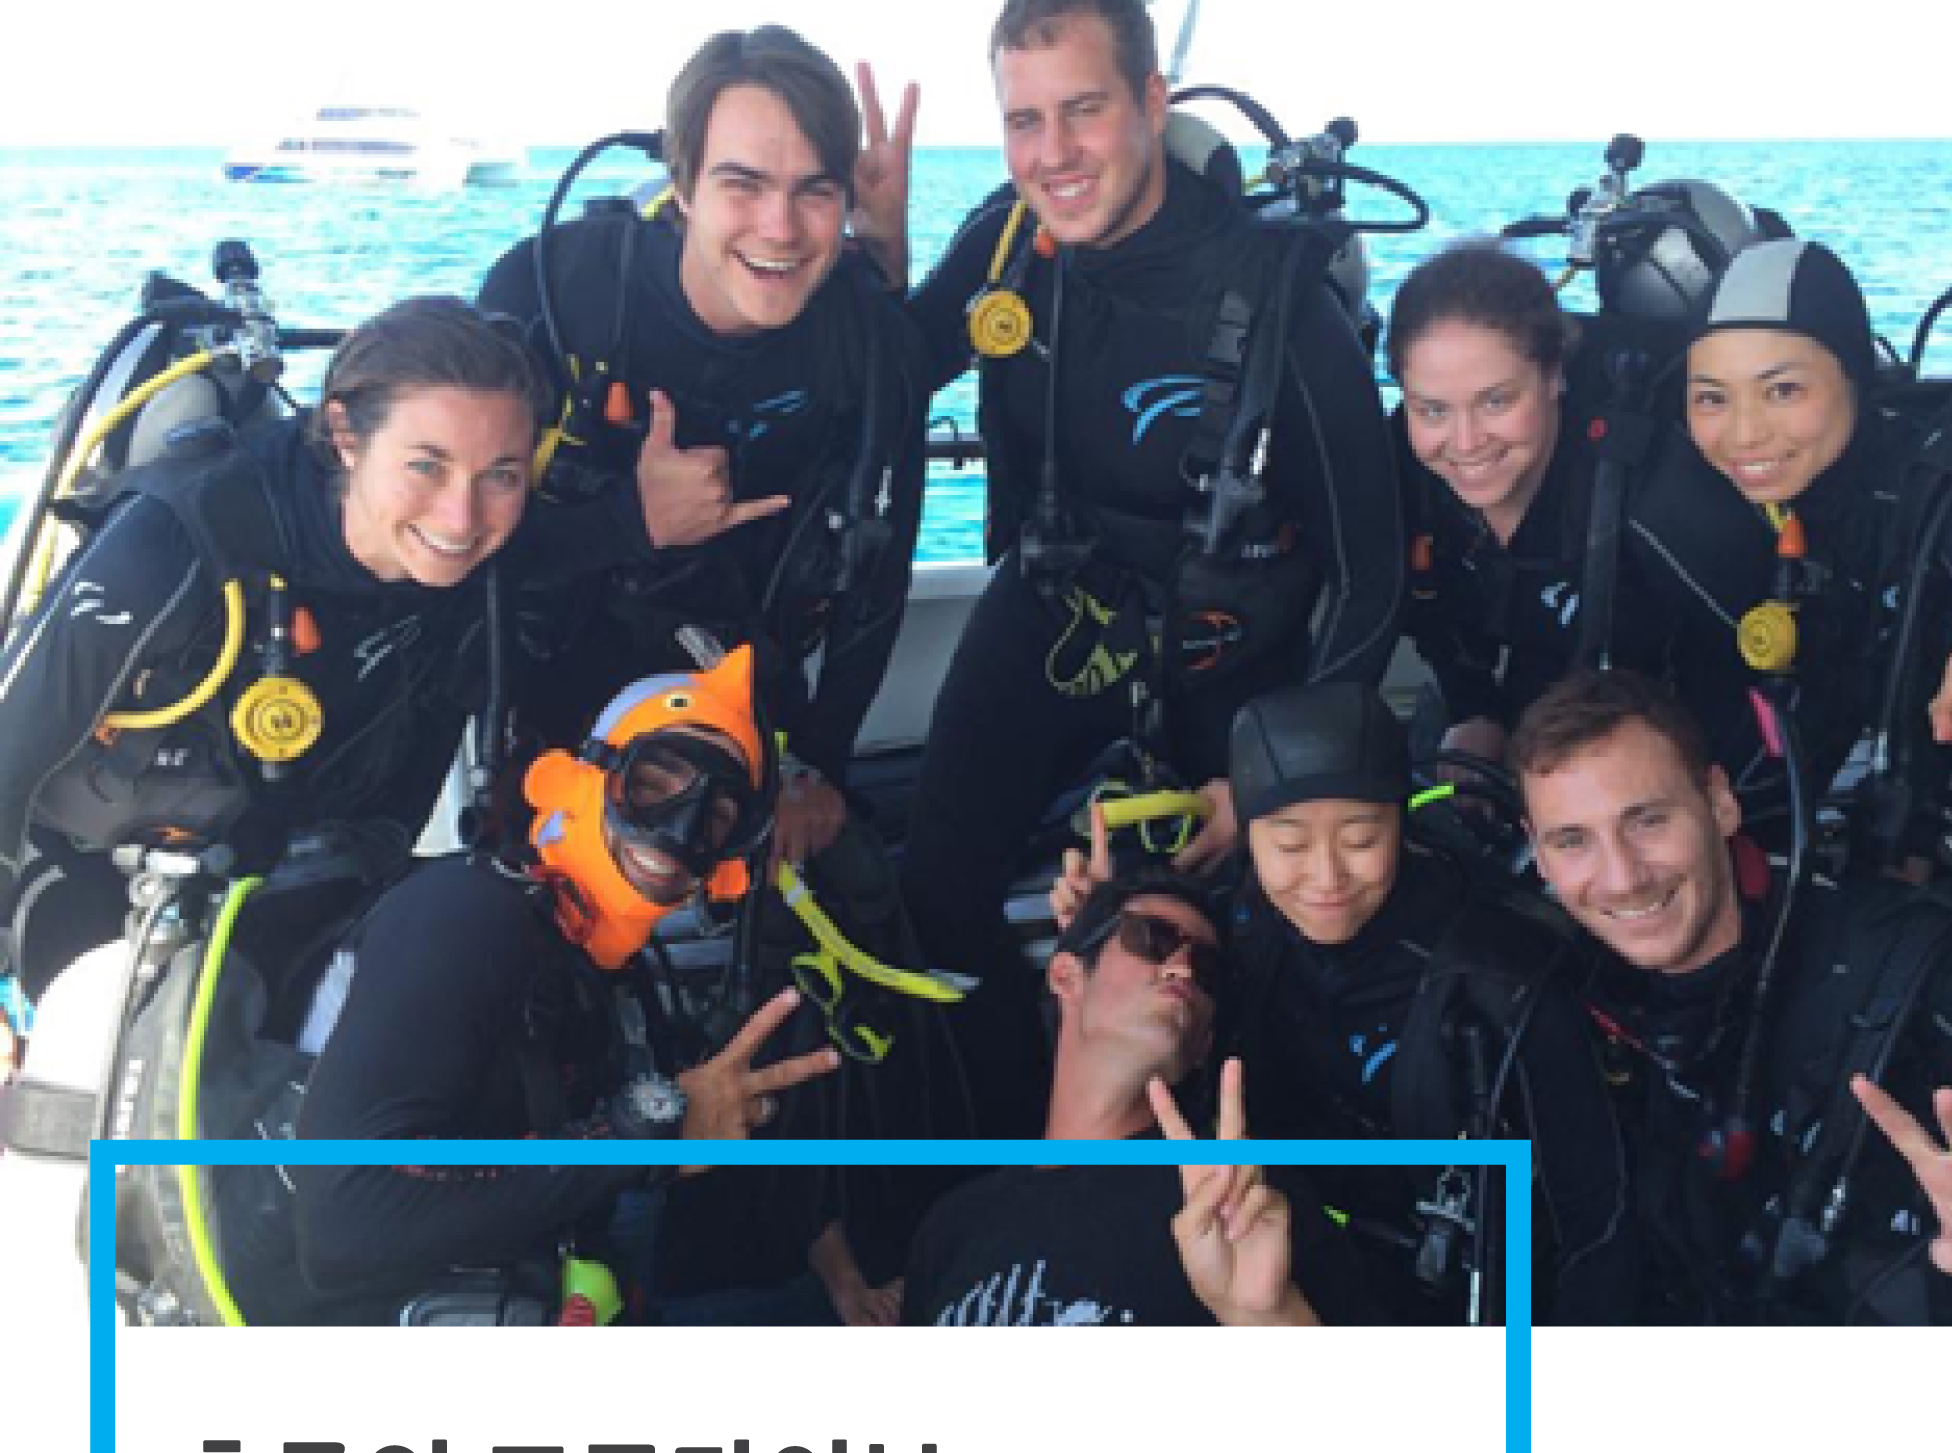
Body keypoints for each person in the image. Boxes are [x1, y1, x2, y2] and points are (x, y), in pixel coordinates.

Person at [891, 0, 1402, 1124]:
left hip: (1228, 651)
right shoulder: (1007, 247)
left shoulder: (1278, 304)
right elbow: (883, 373)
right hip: (1054, 608)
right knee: (933, 892)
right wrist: (870, 258)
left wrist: (1269, 781)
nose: (1053, 155)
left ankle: (1211, 1192)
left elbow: (1370, 574)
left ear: (1152, 103)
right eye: (1024, 121)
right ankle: (1010, 1178)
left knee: (1241, 935)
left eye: (1083, 110)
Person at [1509, 667, 1952, 1324]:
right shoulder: (1566, 1005)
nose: (1620, 877)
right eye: (1572, 840)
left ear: (1720, 804)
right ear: (1539, 855)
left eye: (1647, 820)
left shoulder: (1934, 986)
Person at [0, 295, 547, 1002]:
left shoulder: (481, 569)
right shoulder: (176, 541)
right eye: (426, 466)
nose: (461, 517)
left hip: (306, 874)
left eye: (501, 474)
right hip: (104, 874)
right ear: (345, 434)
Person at [1052, 678, 1637, 1322]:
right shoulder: (1239, 928)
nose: (1326, 878)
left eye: (1360, 840)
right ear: (1248, 838)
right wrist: (1099, 923)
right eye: (1290, 846)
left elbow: (1596, 1222)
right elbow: (1149, 980)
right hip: (1279, 1269)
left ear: (1402, 825)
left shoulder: (1503, 978)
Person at [479, 27, 928, 864]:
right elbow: (456, 547)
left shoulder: (868, 343)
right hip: (555, 710)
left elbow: (877, 581)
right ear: (682, 186)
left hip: (750, 713)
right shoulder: (562, 293)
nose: (779, 227)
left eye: (814, 191)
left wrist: (817, 765)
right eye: (741, 184)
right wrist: (630, 522)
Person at [293, 641, 843, 1320]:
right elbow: (342, 1226)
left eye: (715, 817)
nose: (677, 834)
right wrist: (649, 1135)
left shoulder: (595, 959)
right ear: (581, 778)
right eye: (652, 787)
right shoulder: (466, 914)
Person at [1634, 238, 1952, 850]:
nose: (1743, 434)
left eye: (1783, 390)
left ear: (1854, 377)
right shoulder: (1812, 493)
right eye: (1712, 398)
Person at [901, 872, 1352, 1326]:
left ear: (1203, 1044)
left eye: (1208, 970)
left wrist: (1271, 1317)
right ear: (1066, 975)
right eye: (1151, 938)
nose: (1183, 968)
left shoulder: (1243, 1198)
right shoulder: (951, 1229)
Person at [1389, 240, 1722, 771]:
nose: (1466, 442)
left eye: (1496, 401)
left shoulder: (1643, 482)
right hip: (1529, 699)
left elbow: (1759, 670)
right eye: (1432, 410)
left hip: (1671, 738)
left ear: (1553, 376)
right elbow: (1434, 618)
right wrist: (1475, 714)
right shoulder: (1406, 477)